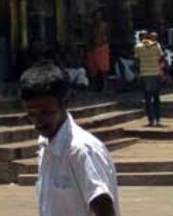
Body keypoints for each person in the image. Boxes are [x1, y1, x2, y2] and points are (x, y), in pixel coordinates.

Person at [20, 62, 119, 216]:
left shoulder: (81, 149)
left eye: (46, 112)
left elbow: (103, 204)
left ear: (65, 103)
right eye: (32, 114)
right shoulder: (46, 146)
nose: (38, 121)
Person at [135, 31, 165, 127]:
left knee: (147, 98)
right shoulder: (157, 46)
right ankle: (158, 119)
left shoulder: (138, 47)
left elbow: (137, 59)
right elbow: (161, 58)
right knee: (156, 97)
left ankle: (151, 120)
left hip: (145, 74)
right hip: (156, 73)